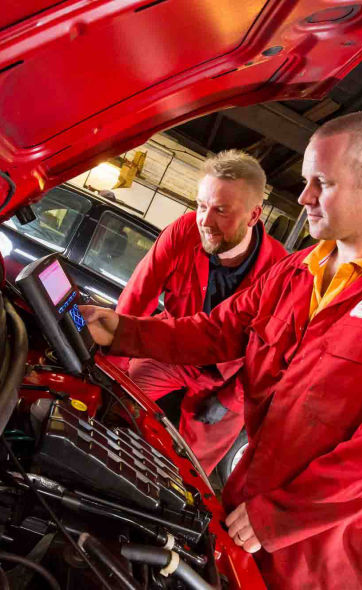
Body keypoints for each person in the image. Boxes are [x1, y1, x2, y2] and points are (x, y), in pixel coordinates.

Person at [81, 111, 362, 589]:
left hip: (328, 543)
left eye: (321, 183)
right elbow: (215, 331)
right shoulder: (297, 270)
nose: (303, 196)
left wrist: (281, 515)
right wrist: (122, 330)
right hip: (249, 496)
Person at [114, 150, 287, 475]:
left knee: (189, 472)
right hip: (171, 350)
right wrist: (115, 369)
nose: (205, 222)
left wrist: (231, 399)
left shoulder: (280, 272)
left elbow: (271, 355)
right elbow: (137, 298)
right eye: (201, 206)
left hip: (230, 375)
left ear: (253, 216)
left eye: (221, 210)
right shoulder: (183, 232)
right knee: (116, 407)